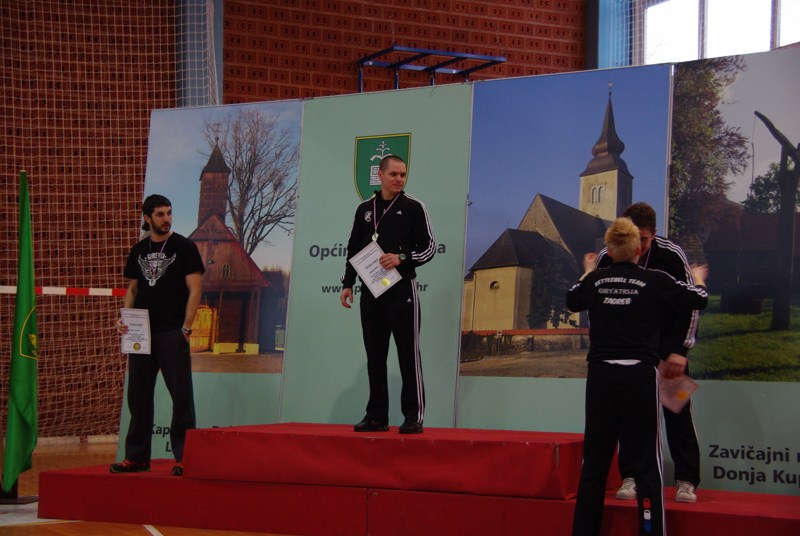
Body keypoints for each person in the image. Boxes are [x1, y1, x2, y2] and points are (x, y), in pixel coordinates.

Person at [568, 217, 708, 536]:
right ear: (636, 248)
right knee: (645, 465)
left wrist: (587, 271)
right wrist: (700, 279)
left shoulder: (598, 279)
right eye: (639, 240)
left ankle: (686, 479)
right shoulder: (654, 279)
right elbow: (698, 298)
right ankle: (646, 522)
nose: (644, 245)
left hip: (626, 369)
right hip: (639, 373)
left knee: (595, 465)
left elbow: (572, 298)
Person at [596, 202, 702, 503]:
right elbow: (598, 304)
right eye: (633, 238)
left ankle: (686, 480)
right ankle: (630, 476)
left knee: (677, 412)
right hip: (630, 353)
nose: (638, 247)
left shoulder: (671, 254)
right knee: (631, 415)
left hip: (668, 352)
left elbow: (692, 304)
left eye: (643, 239)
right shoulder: (608, 255)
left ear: (654, 234)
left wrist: (680, 350)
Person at [339, 155, 435, 434]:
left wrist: (402, 258)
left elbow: (429, 247)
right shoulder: (364, 210)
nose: (399, 179)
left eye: (403, 174)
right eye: (393, 174)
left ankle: (413, 416)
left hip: (402, 291)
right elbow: (354, 248)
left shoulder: (414, 207)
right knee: (375, 356)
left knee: (408, 354)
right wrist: (348, 283)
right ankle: (377, 416)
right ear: (380, 175)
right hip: (372, 291)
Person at [111, 194, 204, 476]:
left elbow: (195, 290)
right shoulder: (139, 250)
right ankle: (137, 457)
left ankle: (185, 457)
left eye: (169, 213)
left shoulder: (185, 247)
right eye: (161, 214)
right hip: (141, 334)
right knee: (138, 397)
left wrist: (186, 327)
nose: (167, 219)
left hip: (172, 332)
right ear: (147, 217)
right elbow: (133, 290)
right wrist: (124, 319)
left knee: (181, 397)